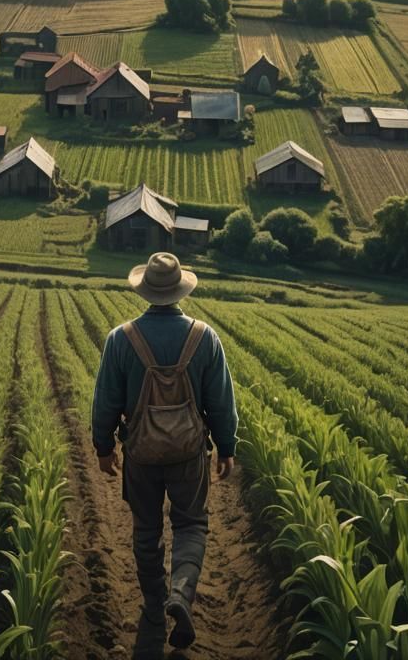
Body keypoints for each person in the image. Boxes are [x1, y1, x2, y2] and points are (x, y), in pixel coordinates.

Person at [91, 251, 238, 650]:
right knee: (191, 525)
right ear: (179, 292)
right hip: (189, 453)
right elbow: (222, 401)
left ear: (145, 292)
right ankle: (181, 594)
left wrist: (104, 446)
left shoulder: (121, 339)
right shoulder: (204, 337)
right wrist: (226, 447)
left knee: (146, 529)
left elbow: (105, 401)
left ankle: (155, 605)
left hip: (140, 452)